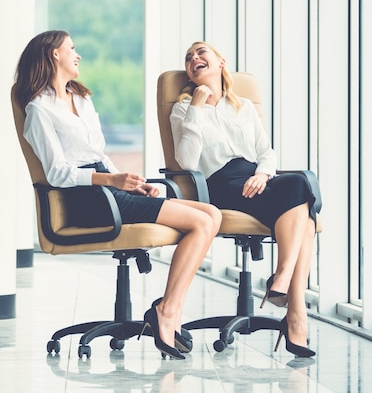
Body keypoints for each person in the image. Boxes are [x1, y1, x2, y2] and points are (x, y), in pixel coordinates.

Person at [14, 30, 222, 360]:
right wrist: (110, 179)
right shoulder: (39, 111)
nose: (77, 54)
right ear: (54, 54)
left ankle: (168, 309)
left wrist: (135, 184)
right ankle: (168, 312)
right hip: (87, 198)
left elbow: (99, 152)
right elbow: (57, 174)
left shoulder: (80, 98)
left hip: (110, 188)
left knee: (213, 215)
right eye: (71, 48)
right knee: (200, 222)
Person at [170, 41, 322, 358]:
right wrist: (197, 107)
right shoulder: (183, 109)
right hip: (219, 185)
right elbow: (186, 162)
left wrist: (263, 175)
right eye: (188, 58)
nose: (193, 58)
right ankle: (295, 313)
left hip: (254, 179)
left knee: (301, 189)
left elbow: (266, 153)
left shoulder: (243, 106)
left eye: (200, 52)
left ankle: (285, 290)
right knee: (303, 211)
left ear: (220, 61)